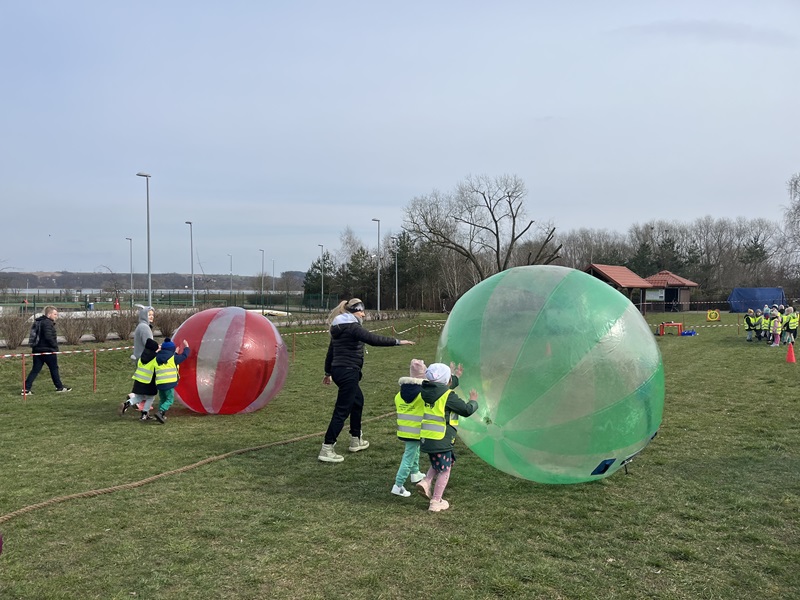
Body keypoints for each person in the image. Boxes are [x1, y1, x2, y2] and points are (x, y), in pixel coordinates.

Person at [319, 298, 415, 463]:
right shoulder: (352, 327)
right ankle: (327, 447)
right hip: (349, 372)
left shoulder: (337, 327)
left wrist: (328, 372)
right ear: (353, 312)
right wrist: (398, 341)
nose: (363, 314)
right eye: (361, 311)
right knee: (342, 410)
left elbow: (331, 352)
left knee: (358, 402)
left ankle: (356, 439)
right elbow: (373, 339)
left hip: (340, 371)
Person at [416, 363, 478, 512]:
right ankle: (436, 501)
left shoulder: (425, 390)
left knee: (440, 461)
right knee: (445, 469)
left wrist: (456, 375)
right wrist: (473, 400)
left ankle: (426, 481)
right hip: (441, 438)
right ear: (446, 381)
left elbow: (443, 386)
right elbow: (466, 409)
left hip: (428, 436)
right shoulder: (448, 396)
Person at [391, 359, 429, 497]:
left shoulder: (399, 395)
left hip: (405, 430)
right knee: (408, 456)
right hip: (418, 430)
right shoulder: (423, 394)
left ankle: (415, 473)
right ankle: (398, 485)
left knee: (414, 451)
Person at [23, 306, 71, 395]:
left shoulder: (38, 321)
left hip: (37, 350)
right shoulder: (47, 323)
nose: (56, 316)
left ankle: (26, 389)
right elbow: (49, 337)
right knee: (54, 369)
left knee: (35, 370)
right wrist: (55, 347)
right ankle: (59, 387)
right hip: (47, 350)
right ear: (49, 314)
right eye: (55, 314)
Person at [119, 338, 160, 421]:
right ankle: (144, 415)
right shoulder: (155, 358)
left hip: (138, 381)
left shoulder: (142, 357)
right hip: (148, 382)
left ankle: (126, 404)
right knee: (150, 398)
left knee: (139, 397)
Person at [153, 337, 191, 424]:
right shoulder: (173, 358)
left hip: (159, 383)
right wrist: (187, 347)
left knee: (163, 399)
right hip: (169, 383)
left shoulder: (156, 358)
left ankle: (160, 415)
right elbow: (184, 356)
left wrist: (159, 350)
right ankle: (161, 412)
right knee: (169, 399)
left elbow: (169, 360)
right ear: (172, 349)